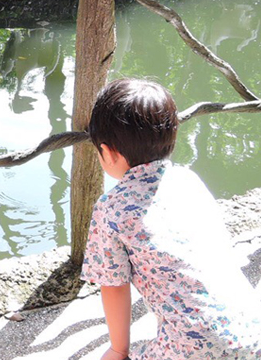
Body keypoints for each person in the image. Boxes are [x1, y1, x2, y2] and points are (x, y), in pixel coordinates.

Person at [82, 78, 261, 360]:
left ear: (107, 152)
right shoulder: (189, 180)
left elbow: (113, 286)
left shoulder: (111, 208)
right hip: (253, 330)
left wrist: (118, 350)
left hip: (197, 349)